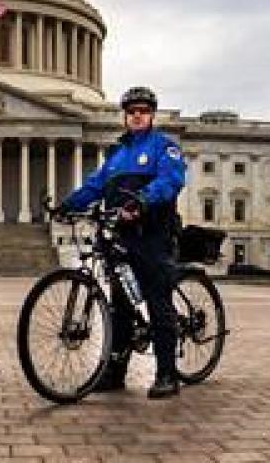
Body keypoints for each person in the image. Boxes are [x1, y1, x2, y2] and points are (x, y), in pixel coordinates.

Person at [62, 85, 188, 399]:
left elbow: (171, 180)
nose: (137, 116)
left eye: (143, 111)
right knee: (119, 304)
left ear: (152, 115)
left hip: (153, 234)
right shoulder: (117, 155)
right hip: (121, 236)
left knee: (158, 303)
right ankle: (116, 372)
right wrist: (67, 205)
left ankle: (167, 374)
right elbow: (95, 186)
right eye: (132, 111)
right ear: (125, 116)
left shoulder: (163, 147)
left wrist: (143, 201)